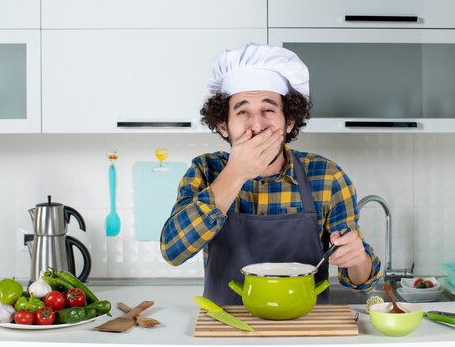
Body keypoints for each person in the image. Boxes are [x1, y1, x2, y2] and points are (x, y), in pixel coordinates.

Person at [160, 43, 381, 305]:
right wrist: (236, 173)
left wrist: (357, 257)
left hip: (304, 329)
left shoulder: (327, 177)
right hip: (227, 328)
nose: (256, 125)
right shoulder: (205, 171)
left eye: (268, 110)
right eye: (242, 111)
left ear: (288, 122)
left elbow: (361, 282)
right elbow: (173, 251)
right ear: (223, 126)